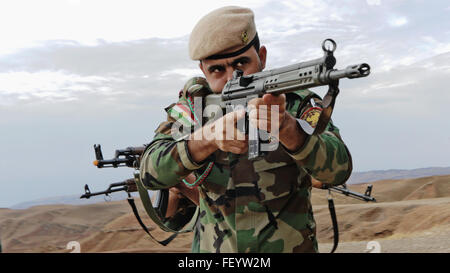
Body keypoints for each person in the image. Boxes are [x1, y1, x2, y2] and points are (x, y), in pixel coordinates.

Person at [139, 6, 352, 253]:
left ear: (262, 55)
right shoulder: (192, 109)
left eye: (241, 63)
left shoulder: (295, 102)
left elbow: (339, 170)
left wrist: (287, 128)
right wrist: (206, 140)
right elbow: (150, 171)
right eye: (217, 69)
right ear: (203, 71)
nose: (232, 78)